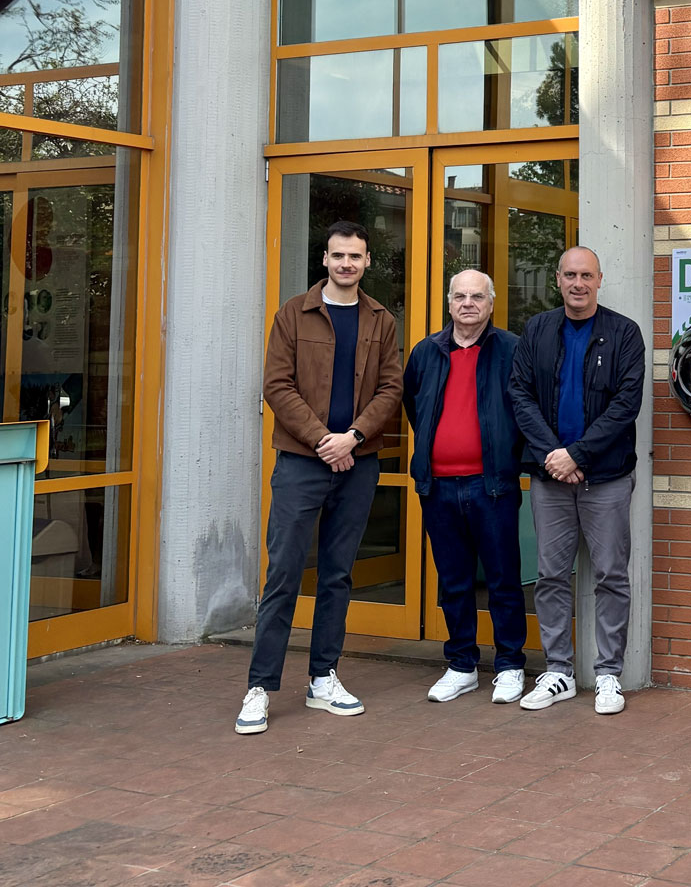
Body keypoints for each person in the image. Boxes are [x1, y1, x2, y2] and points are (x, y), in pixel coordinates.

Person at [238, 220, 402, 735]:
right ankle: (260, 687)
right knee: (283, 574)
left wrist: (351, 437)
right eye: (338, 256)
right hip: (301, 465)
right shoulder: (294, 313)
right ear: (324, 259)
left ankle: (323, 677)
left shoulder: (381, 321)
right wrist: (321, 441)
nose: (346, 264)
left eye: (355, 256)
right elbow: (276, 386)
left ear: (368, 261)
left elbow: (391, 389)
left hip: (358, 463)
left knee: (337, 575)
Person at [509, 246, 645, 715]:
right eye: (570, 275)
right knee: (550, 575)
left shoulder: (624, 333)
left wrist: (578, 454)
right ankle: (559, 671)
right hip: (551, 477)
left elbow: (626, 405)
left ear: (600, 279)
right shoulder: (538, 329)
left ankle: (609, 674)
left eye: (586, 275)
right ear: (558, 279)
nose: (578, 283)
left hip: (604, 477)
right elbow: (519, 394)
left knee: (610, 575)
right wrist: (554, 456)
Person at [402, 270, 527, 706]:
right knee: (454, 582)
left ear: (491, 304)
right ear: (449, 303)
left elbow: (525, 409)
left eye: (477, 297)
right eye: (460, 296)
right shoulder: (425, 352)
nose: (468, 304)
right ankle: (461, 665)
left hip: (492, 486)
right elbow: (414, 405)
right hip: (438, 488)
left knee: (503, 581)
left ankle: (510, 665)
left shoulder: (512, 350)